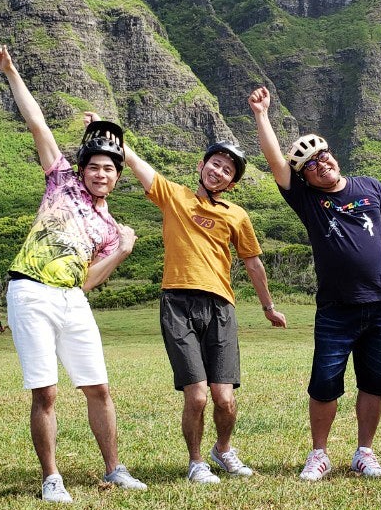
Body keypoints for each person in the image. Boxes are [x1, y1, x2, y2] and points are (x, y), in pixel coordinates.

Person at [0, 46, 146, 502]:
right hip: (30, 291)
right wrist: (11, 71)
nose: (100, 174)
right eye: (94, 167)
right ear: (83, 169)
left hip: (72, 298)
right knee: (47, 392)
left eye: (109, 170)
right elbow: (38, 125)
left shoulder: (111, 228)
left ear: (117, 178)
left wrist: (124, 250)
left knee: (98, 387)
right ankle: (51, 478)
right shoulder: (61, 181)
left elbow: (90, 281)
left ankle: (114, 469)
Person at [248, 86, 381, 481]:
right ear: (305, 177)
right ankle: (319, 454)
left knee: (374, 381)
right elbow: (276, 165)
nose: (322, 165)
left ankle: (364, 452)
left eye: (324, 156)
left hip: (379, 306)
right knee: (324, 383)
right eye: (312, 165)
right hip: (336, 309)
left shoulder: (369, 186)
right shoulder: (307, 201)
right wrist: (261, 115)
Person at [119, 128, 288, 484]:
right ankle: (197, 462)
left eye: (228, 170)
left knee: (224, 398)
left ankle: (222, 450)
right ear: (202, 165)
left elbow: (253, 263)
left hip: (221, 306)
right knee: (196, 396)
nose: (219, 172)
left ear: (233, 182)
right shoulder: (174, 197)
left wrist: (268, 307)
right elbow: (136, 163)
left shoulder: (237, 215)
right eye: (216, 164)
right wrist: (108, 131)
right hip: (177, 301)